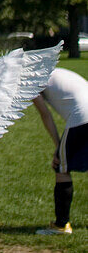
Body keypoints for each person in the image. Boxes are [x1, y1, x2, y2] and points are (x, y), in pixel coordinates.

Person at [33, 66, 88, 234]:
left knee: (61, 168)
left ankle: (61, 225)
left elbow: (45, 114)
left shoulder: (31, 80)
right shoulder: (55, 72)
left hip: (81, 119)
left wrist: (58, 146)